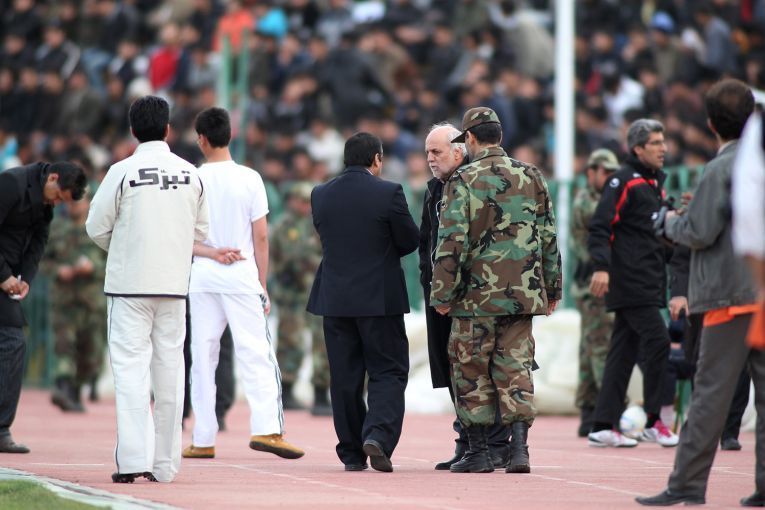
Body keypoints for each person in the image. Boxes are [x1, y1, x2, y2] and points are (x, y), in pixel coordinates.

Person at [635, 79, 762, 506]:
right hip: (761, 292)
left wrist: (669, 221)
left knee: (709, 394)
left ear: (710, 123)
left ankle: (687, 483)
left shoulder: (721, 167)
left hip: (730, 295)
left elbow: (700, 231)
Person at [430, 107, 561, 474]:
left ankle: (480, 453)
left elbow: (451, 241)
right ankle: (519, 451)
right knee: (516, 368)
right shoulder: (531, 175)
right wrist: (552, 288)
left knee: (470, 371)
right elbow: (548, 236)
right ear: (499, 136)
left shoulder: (463, 179)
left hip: (475, 299)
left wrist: (442, 294)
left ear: (470, 138)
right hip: (522, 294)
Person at [86, 95, 210, 483]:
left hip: (129, 286)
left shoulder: (122, 171)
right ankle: (165, 466)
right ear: (168, 129)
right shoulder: (191, 173)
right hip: (173, 286)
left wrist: (126, 248)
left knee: (130, 373)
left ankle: (132, 461)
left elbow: (96, 227)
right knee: (171, 374)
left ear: (133, 131)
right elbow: (201, 231)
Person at [182, 106, 304, 461]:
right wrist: (262, 283)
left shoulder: (193, 179)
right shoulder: (250, 178)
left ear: (201, 140)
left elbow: (182, 235)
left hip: (203, 276)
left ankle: (203, 438)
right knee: (256, 352)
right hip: (240, 275)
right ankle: (266, 428)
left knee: (202, 356)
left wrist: (210, 252)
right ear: (230, 135)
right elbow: (261, 236)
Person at [307, 132, 419, 472]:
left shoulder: (320, 194)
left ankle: (351, 453)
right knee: (388, 370)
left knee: (344, 377)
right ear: (377, 159)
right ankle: (378, 436)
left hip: (335, 299)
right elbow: (409, 240)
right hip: (379, 299)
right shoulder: (389, 192)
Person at [419, 122, 511, 470]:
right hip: (441, 294)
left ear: (459, 151)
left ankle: (496, 444)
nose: (430, 158)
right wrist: (429, 281)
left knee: (484, 369)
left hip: (475, 296)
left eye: (437, 151)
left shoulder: (477, 183)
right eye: (427, 152)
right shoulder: (433, 189)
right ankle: (468, 441)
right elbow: (427, 241)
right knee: (453, 370)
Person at [586, 118, 679, 448]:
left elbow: (651, 235)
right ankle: (654, 420)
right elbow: (600, 226)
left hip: (648, 278)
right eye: (656, 143)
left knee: (623, 352)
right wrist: (602, 267)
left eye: (663, 142)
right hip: (630, 279)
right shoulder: (623, 180)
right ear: (637, 148)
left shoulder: (654, 184)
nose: (663, 148)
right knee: (659, 342)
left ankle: (602, 425)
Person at [0, 160, 87, 454]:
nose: (56, 203)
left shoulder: (46, 203)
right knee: (11, 342)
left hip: (8, 279)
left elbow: (39, 242)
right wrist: (4, 276)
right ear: (52, 178)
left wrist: (25, 279)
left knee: (13, 343)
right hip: (2, 274)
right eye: (58, 196)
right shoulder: (11, 184)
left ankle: (1, 429)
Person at [41, 193, 106, 413]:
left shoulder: (99, 230)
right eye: (70, 200)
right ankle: (63, 387)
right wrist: (58, 270)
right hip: (64, 301)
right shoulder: (56, 228)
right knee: (64, 345)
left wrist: (93, 268)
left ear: (88, 203)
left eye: (78, 200)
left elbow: (114, 263)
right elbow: (42, 260)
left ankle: (76, 389)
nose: (73, 205)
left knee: (91, 355)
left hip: (91, 303)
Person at [271, 181, 331, 416]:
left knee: (322, 342)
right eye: (302, 201)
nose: (306, 206)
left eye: (309, 202)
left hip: (315, 291)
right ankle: (286, 389)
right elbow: (291, 257)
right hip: (292, 295)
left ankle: (320, 392)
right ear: (293, 201)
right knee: (290, 342)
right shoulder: (283, 226)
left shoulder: (315, 224)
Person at [570, 149, 619, 437]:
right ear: (592, 172)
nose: (611, 178)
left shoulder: (590, 198)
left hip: (590, 284)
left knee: (590, 347)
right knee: (601, 347)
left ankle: (589, 411)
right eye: (606, 172)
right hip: (596, 285)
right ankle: (610, 411)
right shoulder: (589, 203)